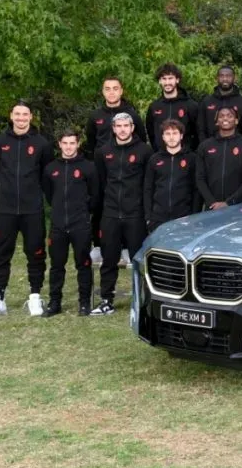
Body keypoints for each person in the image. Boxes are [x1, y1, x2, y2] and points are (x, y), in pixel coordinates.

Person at [0, 100, 53, 318]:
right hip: (5, 209)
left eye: (25, 114)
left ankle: (34, 296)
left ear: (31, 117)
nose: (21, 118)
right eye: (17, 114)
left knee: (36, 253)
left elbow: (47, 175)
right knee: (1, 254)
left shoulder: (41, 144)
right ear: (11, 116)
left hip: (32, 209)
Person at [94, 112, 152, 316]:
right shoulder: (103, 151)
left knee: (138, 259)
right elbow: (101, 183)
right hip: (110, 214)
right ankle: (106, 300)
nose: (122, 129)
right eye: (118, 126)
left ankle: (142, 299)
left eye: (126, 125)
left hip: (134, 214)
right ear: (113, 128)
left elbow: (148, 184)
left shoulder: (144, 151)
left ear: (132, 128)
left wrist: (145, 213)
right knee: (109, 259)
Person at [42, 129, 99, 317]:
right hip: (58, 225)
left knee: (83, 264)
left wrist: (82, 212)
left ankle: (84, 303)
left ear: (78, 144)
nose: (68, 147)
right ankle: (54, 303)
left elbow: (95, 195)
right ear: (59, 144)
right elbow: (50, 195)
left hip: (80, 224)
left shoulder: (88, 167)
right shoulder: (51, 168)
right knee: (57, 265)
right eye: (65, 143)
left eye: (72, 143)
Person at [144, 119, 200, 233]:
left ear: (181, 136)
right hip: (158, 218)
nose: (171, 137)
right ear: (163, 137)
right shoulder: (155, 159)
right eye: (167, 134)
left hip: (184, 217)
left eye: (175, 133)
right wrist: (149, 217)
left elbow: (197, 190)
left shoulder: (192, 159)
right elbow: (148, 189)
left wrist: (194, 216)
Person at [196, 107, 242, 209]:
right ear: (216, 122)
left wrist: (229, 202)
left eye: (229, 116)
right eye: (221, 116)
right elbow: (200, 178)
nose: (225, 118)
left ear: (236, 120)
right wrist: (211, 202)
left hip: (238, 206)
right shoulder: (204, 146)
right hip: (211, 207)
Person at [84, 76, 147, 155]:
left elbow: (142, 139)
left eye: (115, 88)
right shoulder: (95, 116)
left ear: (121, 91)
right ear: (103, 92)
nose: (111, 92)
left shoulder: (132, 115)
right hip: (102, 161)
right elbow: (91, 142)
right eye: (107, 89)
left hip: (127, 161)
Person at [145, 63, 199, 152]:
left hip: (185, 158)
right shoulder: (154, 107)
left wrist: (189, 151)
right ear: (159, 81)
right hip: (162, 158)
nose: (167, 83)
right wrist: (158, 151)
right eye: (164, 79)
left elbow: (198, 132)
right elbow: (151, 133)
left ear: (177, 80)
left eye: (170, 78)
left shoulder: (191, 105)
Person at [197, 65, 242, 141]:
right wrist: (205, 147)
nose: (225, 79)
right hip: (211, 148)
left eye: (228, 76)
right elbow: (201, 128)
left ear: (235, 78)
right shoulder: (206, 102)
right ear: (217, 78)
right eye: (221, 76)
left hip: (237, 148)